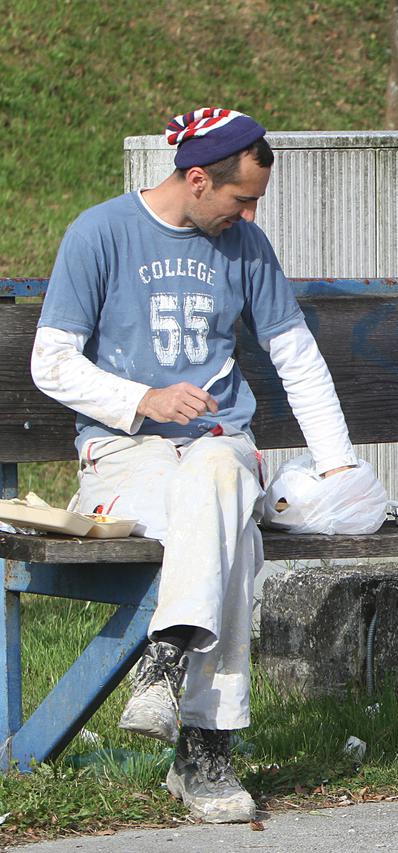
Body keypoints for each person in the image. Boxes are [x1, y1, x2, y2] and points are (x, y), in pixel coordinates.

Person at [31, 108, 359, 822]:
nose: (247, 215)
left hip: (217, 450)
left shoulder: (244, 243)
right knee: (231, 532)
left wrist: (340, 469)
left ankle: (167, 658)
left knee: (218, 475)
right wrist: (140, 396)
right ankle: (207, 750)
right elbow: (49, 361)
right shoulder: (100, 232)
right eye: (241, 199)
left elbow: (296, 355)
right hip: (124, 457)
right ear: (198, 177)